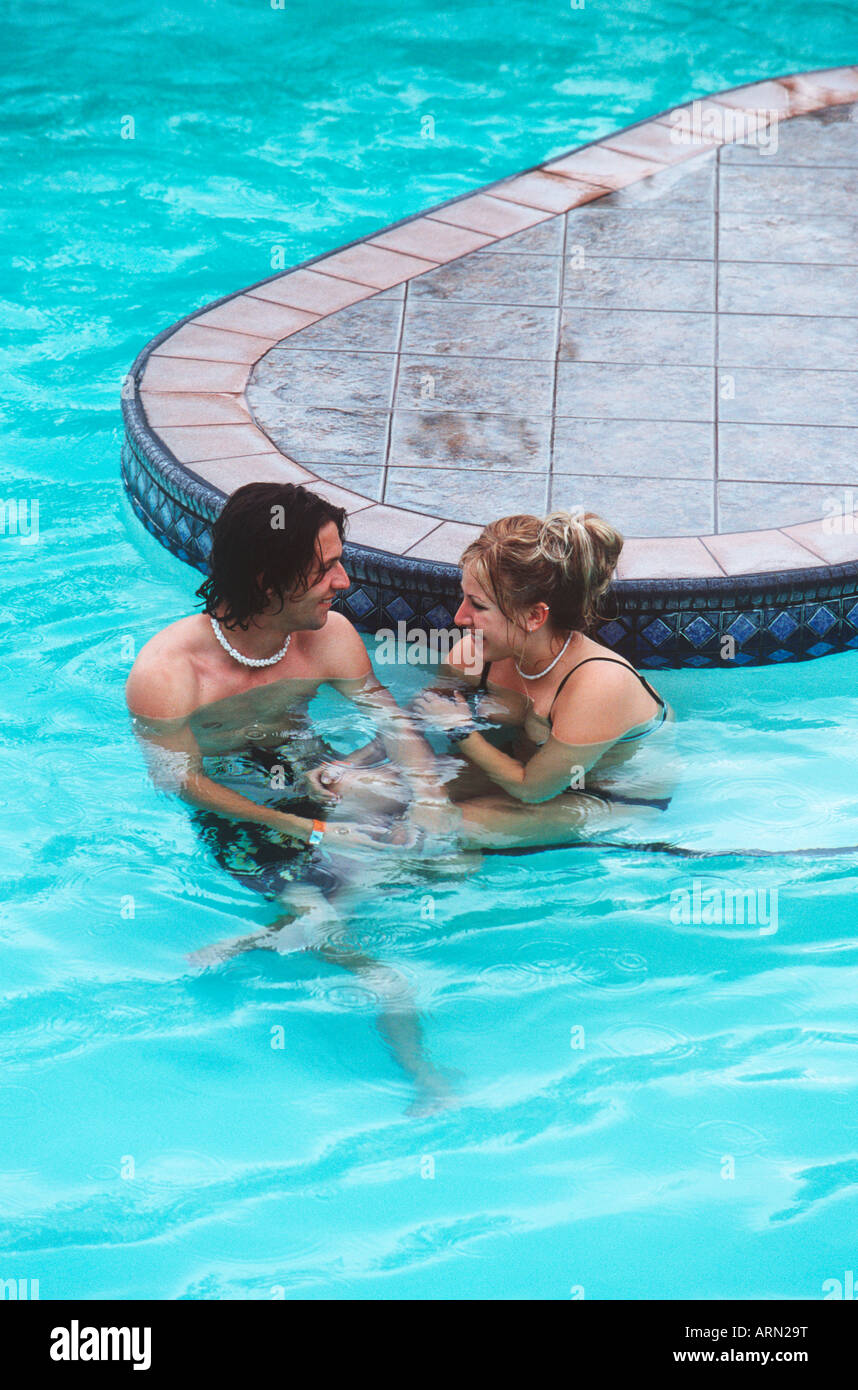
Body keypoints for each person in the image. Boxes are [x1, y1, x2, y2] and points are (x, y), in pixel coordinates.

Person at [126, 481, 458, 1112]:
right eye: (325, 568)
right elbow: (180, 782)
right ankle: (422, 1076)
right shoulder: (167, 674)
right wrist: (314, 832)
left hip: (311, 774)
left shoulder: (327, 637)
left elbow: (388, 721)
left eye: (339, 559)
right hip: (241, 811)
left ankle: (277, 929)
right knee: (374, 964)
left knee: (451, 820)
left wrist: (429, 799)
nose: (344, 581)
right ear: (268, 581)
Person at [403, 510, 677, 850]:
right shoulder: (474, 655)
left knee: (435, 831)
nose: (460, 617)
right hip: (516, 770)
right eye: (463, 598)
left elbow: (533, 789)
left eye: (477, 605)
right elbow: (412, 718)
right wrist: (352, 767)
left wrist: (461, 732)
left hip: (605, 798)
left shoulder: (598, 686)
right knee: (361, 789)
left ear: (534, 616)